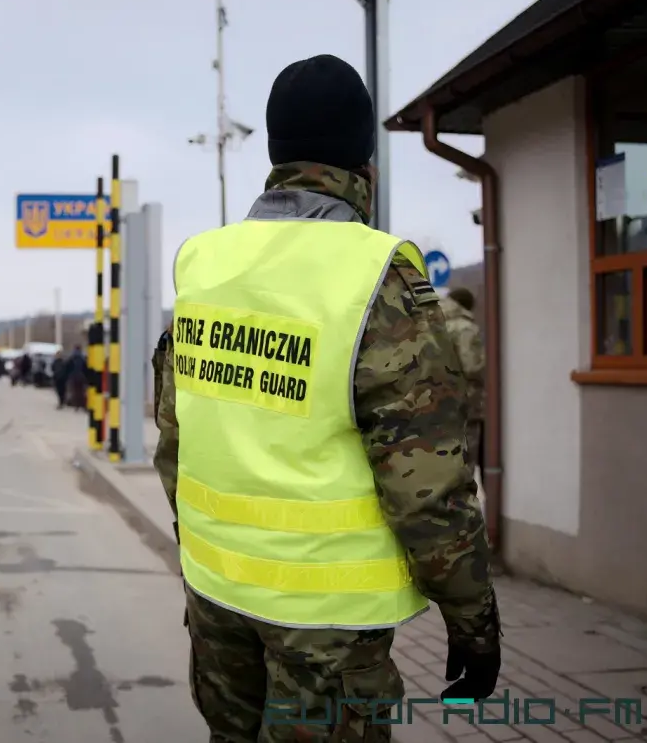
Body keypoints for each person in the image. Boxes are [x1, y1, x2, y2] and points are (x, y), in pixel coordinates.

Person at [151, 54, 500, 742]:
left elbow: (174, 439)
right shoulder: (372, 275)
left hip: (216, 597)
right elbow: (426, 486)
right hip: (327, 623)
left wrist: (211, 547)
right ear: (362, 162)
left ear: (275, 154)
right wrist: (472, 619)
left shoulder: (203, 262)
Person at [441, 287, 486, 476]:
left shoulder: (430, 323)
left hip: (434, 404)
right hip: (464, 404)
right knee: (464, 464)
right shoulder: (464, 328)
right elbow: (473, 367)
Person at [65, 345, 88, 411]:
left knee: (75, 392)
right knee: (82, 392)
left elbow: (67, 367)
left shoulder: (72, 358)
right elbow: (86, 368)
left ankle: (77, 406)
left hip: (73, 377)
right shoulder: (83, 358)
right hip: (82, 377)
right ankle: (83, 406)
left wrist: (68, 376)